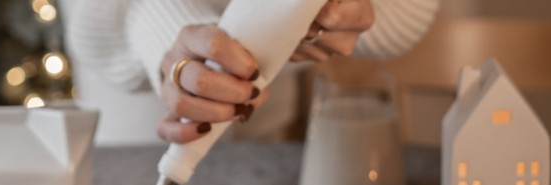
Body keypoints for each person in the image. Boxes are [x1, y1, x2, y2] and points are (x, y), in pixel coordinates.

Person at [61, 0, 440, 144]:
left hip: (271, 132)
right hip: (137, 129)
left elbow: (409, 10)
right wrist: (157, 26)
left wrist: (351, 9)